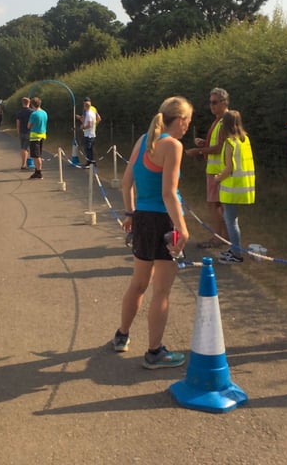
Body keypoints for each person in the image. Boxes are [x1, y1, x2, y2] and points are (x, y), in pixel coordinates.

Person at [113, 96, 193, 369]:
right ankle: (154, 352)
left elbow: (126, 183)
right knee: (161, 291)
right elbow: (169, 194)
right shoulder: (173, 146)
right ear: (180, 120)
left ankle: (122, 335)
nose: (187, 127)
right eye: (188, 121)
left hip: (142, 218)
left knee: (138, 283)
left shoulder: (144, 140)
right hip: (163, 220)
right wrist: (182, 229)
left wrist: (129, 214)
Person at [186, 87, 230, 248]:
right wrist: (204, 143)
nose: (212, 106)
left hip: (218, 171)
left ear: (225, 102)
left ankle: (218, 238)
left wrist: (198, 151)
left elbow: (220, 148)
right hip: (216, 169)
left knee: (214, 205)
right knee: (219, 205)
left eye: (215, 102)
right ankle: (224, 237)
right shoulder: (219, 120)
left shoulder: (225, 121)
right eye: (210, 102)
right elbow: (218, 144)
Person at [214, 111, 256, 264]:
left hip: (231, 187)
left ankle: (236, 254)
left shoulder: (229, 143)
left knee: (230, 221)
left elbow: (228, 168)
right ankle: (234, 250)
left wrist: (218, 178)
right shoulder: (245, 140)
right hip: (243, 185)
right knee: (233, 220)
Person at [76, 97, 100, 167]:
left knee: (88, 149)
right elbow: (98, 119)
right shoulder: (92, 110)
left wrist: (83, 126)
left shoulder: (88, 113)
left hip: (89, 134)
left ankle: (91, 163)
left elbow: (88, 124)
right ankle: (91, 162)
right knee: (90, 148)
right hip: (90, 133)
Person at [27, 97, 48, 179]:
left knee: (36, 155)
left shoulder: (34, 114)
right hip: (42, 134)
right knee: (38, 154)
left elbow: (29, 126)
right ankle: (37, 170)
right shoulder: (44, 113)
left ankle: (38, 172)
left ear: (32, 105)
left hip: (35, 136)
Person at [15, 97, 32, 169]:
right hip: (29, 131)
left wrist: (18, 131)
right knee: (26, 148)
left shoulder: (20, 112)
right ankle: (24, 164)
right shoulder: (31, 112)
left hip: (22, 131)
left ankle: (24, 162)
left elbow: (18, 123)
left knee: (23, 148)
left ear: (22, 103)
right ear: (29, 103)